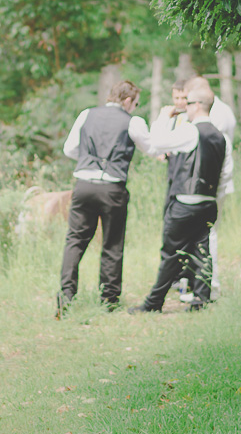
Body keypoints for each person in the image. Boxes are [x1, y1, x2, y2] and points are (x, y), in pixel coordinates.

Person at [130, 86, 233, 313]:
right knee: (201, 251)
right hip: (208, 203)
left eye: (187, 103)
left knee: (171, 253)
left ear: (197, 105)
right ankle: (201, 300)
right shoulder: (221, 137)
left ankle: (153, 303)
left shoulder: (191, 132)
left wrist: (163, 118)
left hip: (186, 202)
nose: (184, 107)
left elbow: (156, 143)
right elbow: (225, 174)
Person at [56, 80, 152, 318]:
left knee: (75, 241)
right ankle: (108, 300)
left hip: (84, 185)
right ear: (128, 101)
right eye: (136, 103)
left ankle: (65, 299)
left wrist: (88, 160)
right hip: (112, 188)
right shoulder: (133, 122)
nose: (135, 107)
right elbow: (149, 148)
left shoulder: (87, 114)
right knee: (112, 243)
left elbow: (69, 149)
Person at [182, 75, 236, 300]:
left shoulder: (215, 115)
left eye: (187, 100)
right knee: (204, 233)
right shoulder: (222, 109)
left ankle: (208, 285)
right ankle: (198, 283)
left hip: (209, 184)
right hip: (212, 183)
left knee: (206, 233)